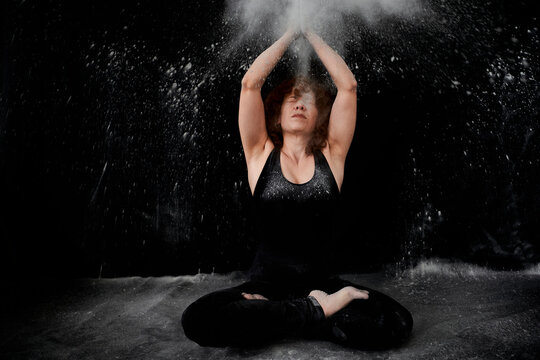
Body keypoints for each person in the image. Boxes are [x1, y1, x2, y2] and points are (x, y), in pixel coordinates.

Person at [181, 28, 413, 349]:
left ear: (319, 117)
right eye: (291, 98)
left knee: (397, 322)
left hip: (323, 284)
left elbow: (348, 86)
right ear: (276, 116)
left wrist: (312, 33)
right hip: (266, 286)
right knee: (198, 318)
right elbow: (250, 84)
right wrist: (291, 33)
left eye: (306, 100)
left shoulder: (333, 156)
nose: (298, 103)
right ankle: (313, 313)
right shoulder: (259, 154)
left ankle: (279, 318)